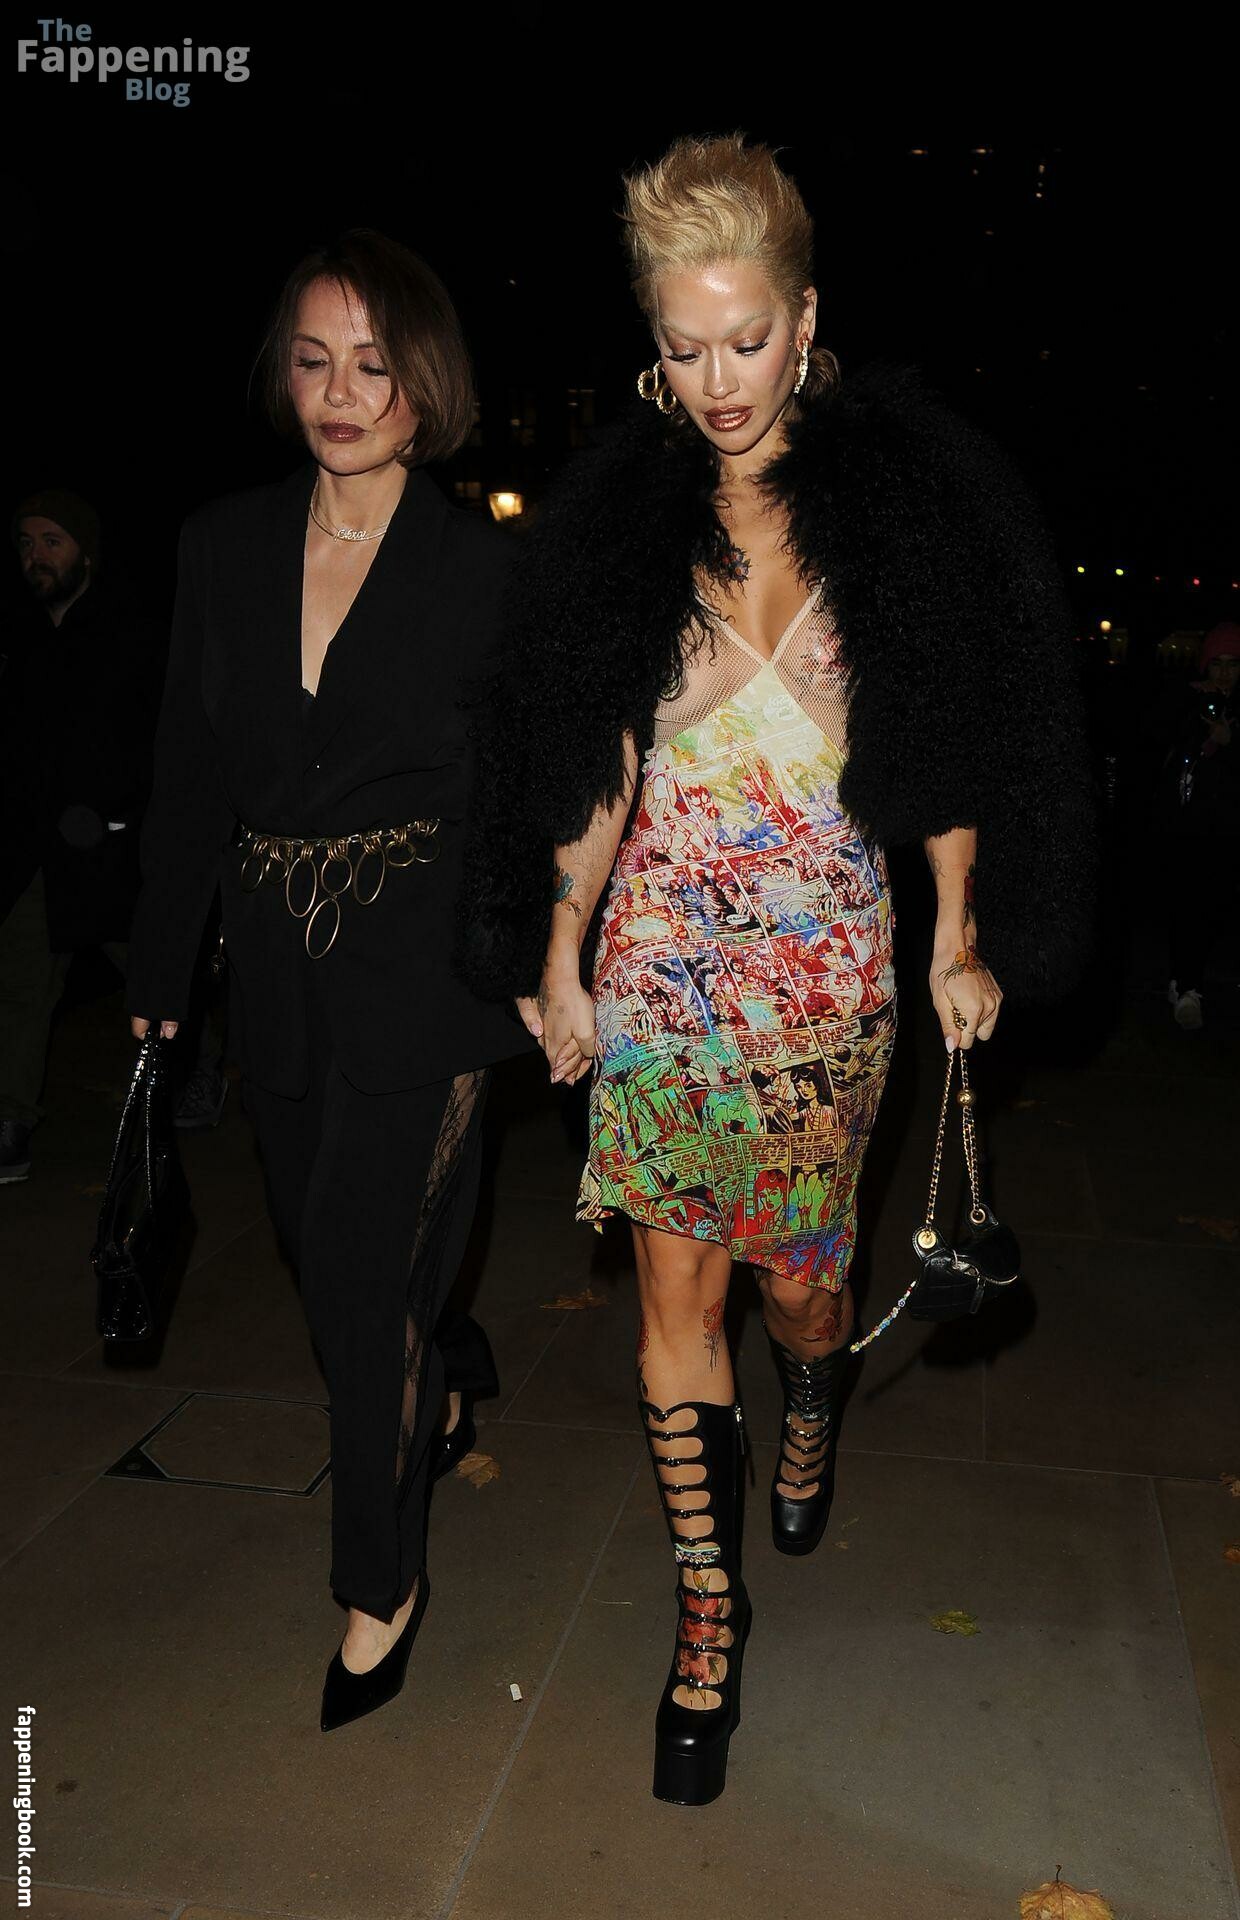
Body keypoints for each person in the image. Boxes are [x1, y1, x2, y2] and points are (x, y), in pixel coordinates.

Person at [460, 135, 1091, 1805]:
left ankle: (812, 1397)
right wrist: (560, 953)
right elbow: (595, 763)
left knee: (804, 1289)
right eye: (686, 347)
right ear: (652, 352)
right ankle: (704, 1609)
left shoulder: (895, 510)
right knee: (676, 1299)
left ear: (807, 323)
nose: (721, 379)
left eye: (748, 338)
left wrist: (958, 930)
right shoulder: (624, 527)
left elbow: (942, 738)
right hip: (664, 966)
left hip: (828, 973)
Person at [125, 230, 530, 1732]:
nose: (341, 393)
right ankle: (445, 1369)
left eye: (373, 365)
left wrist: (537, 963)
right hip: (278, 971)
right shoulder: (221, 544)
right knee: (327, 1261)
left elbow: (529, 791)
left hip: (430, 975)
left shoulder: (486, 570)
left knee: (360, 1288)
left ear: (427, 386)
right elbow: (186, 766)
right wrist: (162, 960)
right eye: (313, 361)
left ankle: (378, 1583)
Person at [0, 493, 162, 1183]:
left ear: (84, 553)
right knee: (21, 979)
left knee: (151, 969)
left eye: (52, 541)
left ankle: (196, 1072)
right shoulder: (21, 637)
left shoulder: (129, 633)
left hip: (111, 849)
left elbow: (155, 738)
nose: (36, 556)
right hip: (35, 851)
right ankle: (10, 1121)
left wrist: (116, 810)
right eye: (26, 542)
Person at [1156, 622, 1239, 1028]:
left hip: (1228, 829)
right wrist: (1190, 705)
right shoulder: (1189, 700)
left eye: (1233, 663)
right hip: (1188, 826)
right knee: (1187, 904)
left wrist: (1230, 742)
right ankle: (1187, 987)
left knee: (1214, 909)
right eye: (1217, 663)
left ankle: (1186, 979)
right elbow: (1165, 741)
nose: (1224, 672)